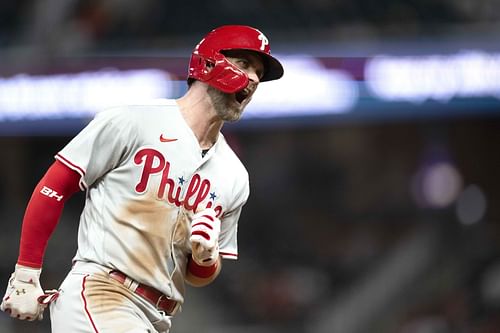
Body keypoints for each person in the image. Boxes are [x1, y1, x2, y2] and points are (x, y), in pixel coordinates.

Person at [0, 25, 284, 332]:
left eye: (258, 72)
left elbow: (198, 275)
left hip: (158, 315)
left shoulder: (233, 175)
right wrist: (26, 273)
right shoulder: (135, 120)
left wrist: (206, 259)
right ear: (208, 62)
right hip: (101, 294)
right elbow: (55, 185)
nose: (254, 79)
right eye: (244, 64)